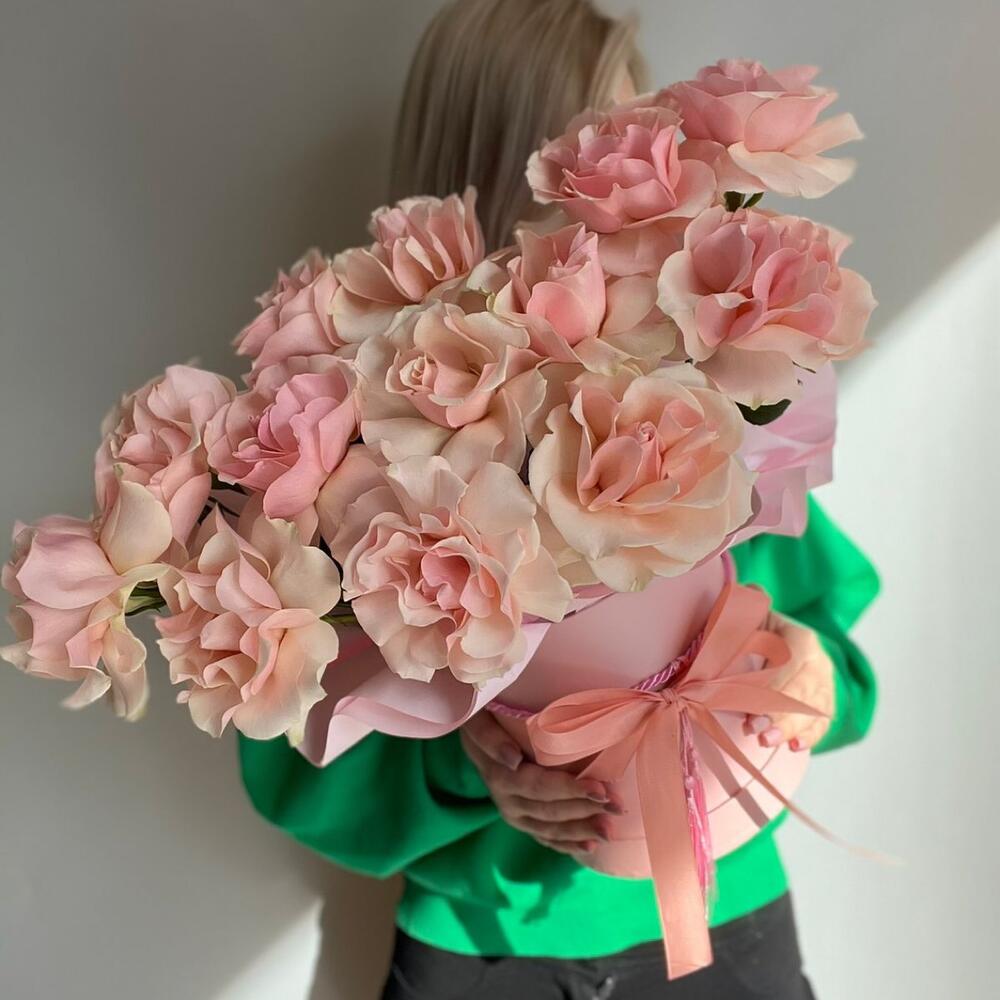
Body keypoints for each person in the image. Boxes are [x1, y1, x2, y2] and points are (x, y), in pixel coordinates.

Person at [238, 2, 880, 997]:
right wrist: (466, 752)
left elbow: (830, 650)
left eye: (652, 149)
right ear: (522, 168)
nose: (650, 186)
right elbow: (290, 741)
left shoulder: (707, 399)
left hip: (726, 913)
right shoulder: (338, 436)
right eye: (612, 149)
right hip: (484, 941)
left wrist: (807, 674)